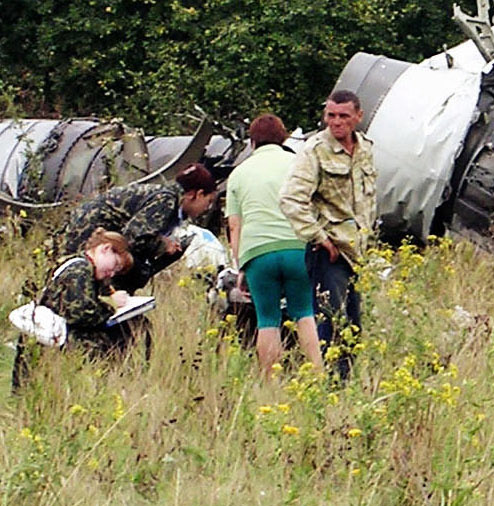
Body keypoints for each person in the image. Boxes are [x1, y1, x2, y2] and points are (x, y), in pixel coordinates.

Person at [278, 90, 376, 379]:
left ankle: (349, 383)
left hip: (357, 252)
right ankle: (333, 386)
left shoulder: (366, 149)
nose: (336, 122)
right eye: (331, 115)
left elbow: (369, 199)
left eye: (344, 116)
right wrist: (319, 237)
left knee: (354, 324)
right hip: (329, 252)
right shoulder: (315, 150)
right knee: (333, 323)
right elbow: (290, 199)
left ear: (359, 116)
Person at [225, 114, 324, 375]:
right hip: (297, 247)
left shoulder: (238, 174)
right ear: (285, 137)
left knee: (267, 319)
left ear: (252, 142)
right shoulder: (298, 164)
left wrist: (240, 266)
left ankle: (272, 384)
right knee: (304, 312)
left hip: (258, 253)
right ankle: (317, 374)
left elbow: (235, 225)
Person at [62, 164, 219, 292]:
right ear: (196, 194)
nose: (207, 207)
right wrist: (163, 245)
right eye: (208, 200)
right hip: (89, 235)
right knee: (84, 287)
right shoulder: (166, 201)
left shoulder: (167, 197)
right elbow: (134, 237)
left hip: (93, 233)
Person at [12, 228, 137, 387]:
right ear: (105, 249)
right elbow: (81, 313)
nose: (111, 274)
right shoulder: (80, 270)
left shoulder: (82, 267)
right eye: (115, 266)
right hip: (49, 341)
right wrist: (111, 306)